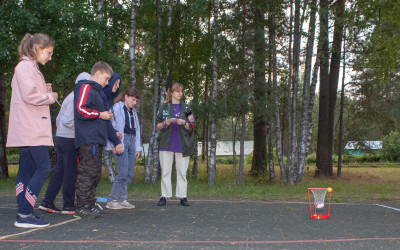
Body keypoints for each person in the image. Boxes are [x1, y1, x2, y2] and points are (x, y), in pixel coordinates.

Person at [7, 33, 58, 228]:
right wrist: (50, 96)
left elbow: (29, 94)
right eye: (48, 52)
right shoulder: (25, 67)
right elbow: (30, 96)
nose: (50, 57)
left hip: (27, 127)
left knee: (26, 169)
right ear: (37, 47)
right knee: (43, 167)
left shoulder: (28, 67)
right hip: (31, 128)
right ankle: (25, 214)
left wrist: (44, 91)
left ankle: (24, 213)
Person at [38, 72, 90, 215]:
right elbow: (68, 121)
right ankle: (68, 205)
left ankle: (47, 201)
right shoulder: (75, 98)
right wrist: (83, 128)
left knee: (60, 171)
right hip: (68, 138)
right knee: (70, 172)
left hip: (61, 137)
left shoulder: (70, 97)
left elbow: (59, 119)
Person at [74, 61, 114, 219]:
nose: (107, 82)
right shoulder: (85, 87)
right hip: (88, 138)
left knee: (96, 173)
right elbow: (80, 109)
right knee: (87, 172)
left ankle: (90, 203)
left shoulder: (97, 92)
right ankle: (82, 205)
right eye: (106, 78)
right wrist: (100, 114)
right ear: (97, 74)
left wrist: (104, 115)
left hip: (97, 138)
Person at [156, 82, 196, 207]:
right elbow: (157, 126)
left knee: (182, 172)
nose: (180, 93)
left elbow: (193, 126)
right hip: (166, 144)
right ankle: (164, 196)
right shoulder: (164, 107)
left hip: (182, 144)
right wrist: (165, 123)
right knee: (165, 171)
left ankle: (182, 196)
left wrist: (184, 123)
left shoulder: (187, 108)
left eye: (181, 91)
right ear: (172, 92)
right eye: (178, 91)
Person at [105, 87, 143, 209]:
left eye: (136, 101)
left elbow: (137, 129)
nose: (134, 103)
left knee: (129, 173)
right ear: (126, 96)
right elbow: (111, 127)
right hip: (121, 142)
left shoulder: (133, 111)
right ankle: (112, 200)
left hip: (132, 141)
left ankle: (122, 198)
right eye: (133, 100)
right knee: (123, 172)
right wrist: (115, 143)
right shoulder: (116, 108)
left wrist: (137, 147)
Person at [101, 72, 122, 183]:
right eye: (115, 83)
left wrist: (115, 133)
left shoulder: (108, 99)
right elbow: (105, 121)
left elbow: (108, 121)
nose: (117, 86)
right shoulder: (101, 95)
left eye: (119, 84)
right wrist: (116, 141)